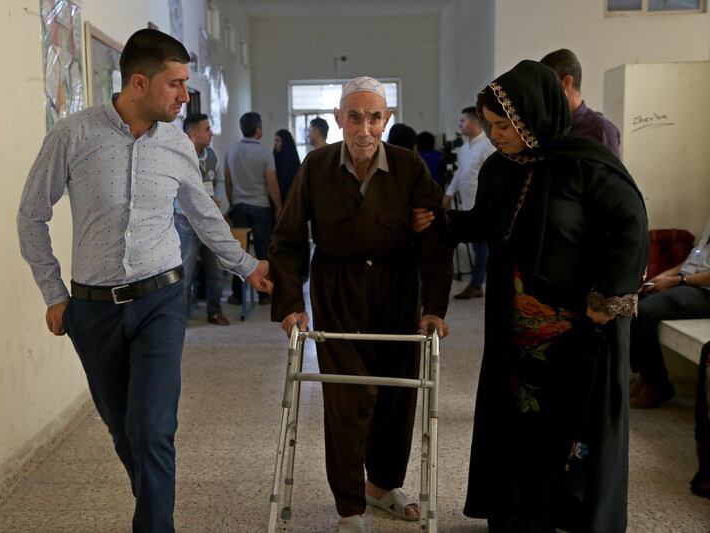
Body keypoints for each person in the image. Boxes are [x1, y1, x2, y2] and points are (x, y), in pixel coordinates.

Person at [17, 29, 271, 533]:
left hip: (161, 299)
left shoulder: (179, 145)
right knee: (124, 432)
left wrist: (249, 267)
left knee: (154, 429)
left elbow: (204, 215)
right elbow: (30, 216)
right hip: (92, 311)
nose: (184, 96)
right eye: (175, 84)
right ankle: (155, 512)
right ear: (139, 82)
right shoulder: (72, 136)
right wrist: (53, 293)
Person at [413, 61, 648, 532]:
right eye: (492, 125)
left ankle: (570, 512)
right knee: (518, 418)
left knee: (570, 422)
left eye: (504, 125)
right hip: (515, 327)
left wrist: (609, 298)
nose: (496, 135)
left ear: (532, 117)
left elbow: (631, 225)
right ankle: (517, 508)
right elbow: (486, 222)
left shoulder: (586, 162)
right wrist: (442, 224)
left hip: (579, 325)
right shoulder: (502, 169)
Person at [269, 76, 453, 533]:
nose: (365, 128)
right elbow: (288, 238)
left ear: (387, 119)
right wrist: (291, 302)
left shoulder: (409, 167)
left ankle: (383, 486)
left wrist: (434, 306)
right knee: (348, 397)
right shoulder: (316, 166)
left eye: (374, 117)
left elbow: (435, 243)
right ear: (339, 120)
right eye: (354, 117)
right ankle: (350, 507)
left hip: (397, 288)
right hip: (339, 289)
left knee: (397, 393)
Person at [630, 222, 710, 408]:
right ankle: (644, 376)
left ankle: (657, 385)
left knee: (643, 312)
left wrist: (677, 281)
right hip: (690, 282)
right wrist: (666, 275)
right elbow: (697, 257)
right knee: (633, 298)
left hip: (705, 290)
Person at [175, 113, 229, 326]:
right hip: (186, 221)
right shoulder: (181, 156)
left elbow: (217, 183)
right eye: (207, 129)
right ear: (193, 134)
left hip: (209, 222)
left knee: (214, 270)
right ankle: (180, 316)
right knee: (185, 273)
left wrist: (218, 201)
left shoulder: (213, 156)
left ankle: (215, 312)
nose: (212, 133)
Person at [224, 112, 282, 305]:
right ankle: (264, 294)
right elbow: (271, 183)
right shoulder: (265, 153)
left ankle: (237, 295)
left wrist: (233, 202)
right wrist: (279, 206)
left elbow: (228, 180)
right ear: (258, 130)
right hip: (261, 207)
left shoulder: (231, 151)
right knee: (262, 249)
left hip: (240, 206)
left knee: (239, 252)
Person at [444, 106, 495, 300]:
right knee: (478, 248)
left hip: (482, 208)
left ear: (475, 122)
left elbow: (492, 179)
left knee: (482, 248)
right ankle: (476, 283)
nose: (460, 124)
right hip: (467, 206)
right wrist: (449, 194)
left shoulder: (487, 146)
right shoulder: (466, 147)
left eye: (463, 121)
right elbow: (459, 173)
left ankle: (476, 284)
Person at [540, 48, 621, 158]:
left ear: (566, 83)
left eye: (544, 85)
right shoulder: (547, 127)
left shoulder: (601, 131)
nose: (540, 94)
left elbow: (611, 175)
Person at [273, 129, 301, 203]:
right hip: (276, 199)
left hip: (290, 199)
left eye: (278, 141)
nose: (275, 143)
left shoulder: (292, 160)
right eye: (275, 141)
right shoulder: (273, 157)